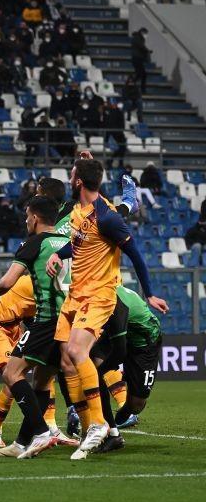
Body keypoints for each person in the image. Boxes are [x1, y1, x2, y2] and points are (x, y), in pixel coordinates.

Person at [45, 157, 168, 458]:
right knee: (67, 357)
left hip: (99, 295)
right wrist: (59, 255)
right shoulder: (78, 213)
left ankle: (98, 424)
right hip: (77, 294)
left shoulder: (107, 218)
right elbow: (78, 242)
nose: (69, 177)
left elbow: (136, 254)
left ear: (78, 182)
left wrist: (149, 294)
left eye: (72, 174)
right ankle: (100, 426)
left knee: (78, 354)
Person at [0, 196, 75, 457]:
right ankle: (22, 443)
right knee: (42, 382)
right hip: (68, 320)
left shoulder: (34, 243)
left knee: (12, 374)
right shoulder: (69, 242)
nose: (25, 221)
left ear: (34, 217)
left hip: (46, 320)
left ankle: (43, 432)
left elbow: (9, 280)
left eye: (26, 216)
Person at [113, 287, 163, 429]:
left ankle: (122, 418)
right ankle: (100, 422)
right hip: (126, 336)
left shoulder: (117, 299)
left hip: (145, 344)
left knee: (136, 404)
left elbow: (120, 350)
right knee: (95, 364)